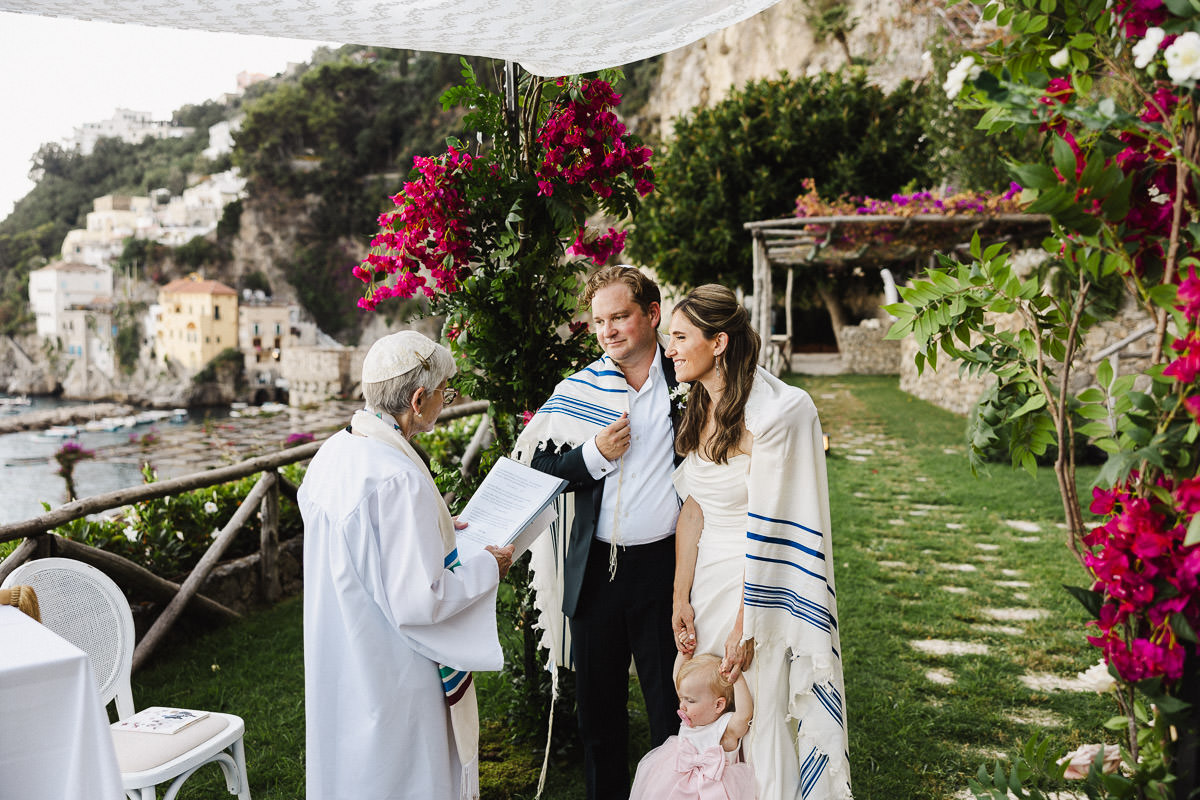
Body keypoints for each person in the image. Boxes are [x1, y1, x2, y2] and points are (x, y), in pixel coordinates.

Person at [299, 330, 515, 800]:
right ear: (418, 399)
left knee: (351, 767)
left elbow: (370, 546)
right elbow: (422, 599)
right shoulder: (398, 477)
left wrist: (432, 531)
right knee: (404, 775)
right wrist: (487, 568)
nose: (447, 400)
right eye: (445, 392)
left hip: (340, 642)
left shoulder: (335, 453)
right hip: (393, 663)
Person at [666, 285, 851, 800]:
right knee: (707, 717)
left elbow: (775, 531)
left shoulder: (779, 415)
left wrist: (749, 623)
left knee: (759, 714)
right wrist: (681, 598)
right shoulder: (697, 403)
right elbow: (694, 508)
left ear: (718, 341)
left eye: (680, 337)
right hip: (706, 585)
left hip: (761, 588)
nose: (671, 349)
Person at [514, 265, 683, 800]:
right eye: (599, 321)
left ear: (652, 315)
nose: (608, 330)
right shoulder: (577, 389)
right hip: (595, 573)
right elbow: (537, 472)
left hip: (666, 571)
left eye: (620, 317)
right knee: (600, 719)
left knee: (672, 711)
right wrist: (594, 455)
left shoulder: (688, 379)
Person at [629, 653, 756, 800]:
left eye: (690, 700)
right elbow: (677, 680)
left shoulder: (724, 729)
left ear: (718, 705)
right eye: (681, 699)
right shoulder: (690, 719)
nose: (682, 705)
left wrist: (736, 677)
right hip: (677, 786)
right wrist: (684, 654)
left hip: (713, 790)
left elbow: (744, 714)